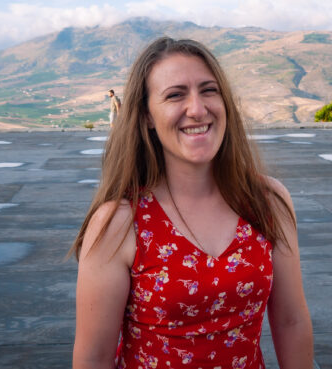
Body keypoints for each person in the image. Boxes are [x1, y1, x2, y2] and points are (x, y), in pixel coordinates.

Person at [72, 37, 313, 368]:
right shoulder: (119, 222)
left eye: (209, 90)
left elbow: (291, 322)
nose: (197, 109)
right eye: (175, 95)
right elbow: (93, 359)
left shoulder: (268, 202)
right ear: (147, 116)